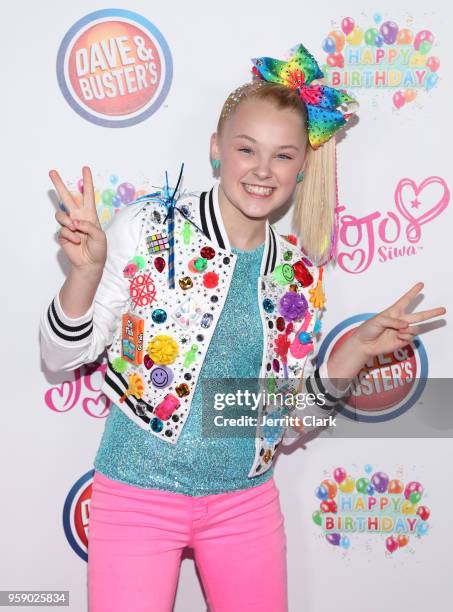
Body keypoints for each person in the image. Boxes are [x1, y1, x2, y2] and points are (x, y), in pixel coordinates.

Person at [39, 44, 446, 612]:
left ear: (302, 165)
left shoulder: (299, 278)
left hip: (243, 507)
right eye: (246, 149)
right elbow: (58, 358)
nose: (262, 170)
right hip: (136, 499)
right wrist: (83, 274)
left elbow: (274, 427)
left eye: (282, 156)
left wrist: (348, 356)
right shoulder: (152, 229)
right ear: (216, 149)